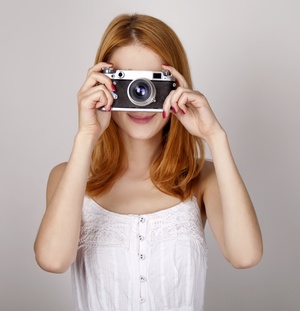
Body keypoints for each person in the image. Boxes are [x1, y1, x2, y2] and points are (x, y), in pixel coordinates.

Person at [34, 13, 263, 310]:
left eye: (154, 83)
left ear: (178, 87)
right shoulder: (68, 177)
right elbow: (52, 260)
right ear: (104, 85)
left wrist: (215, 136)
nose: (141, 96)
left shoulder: (203, 178)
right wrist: (86, 135)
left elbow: (245, 256)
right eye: (128, 83)